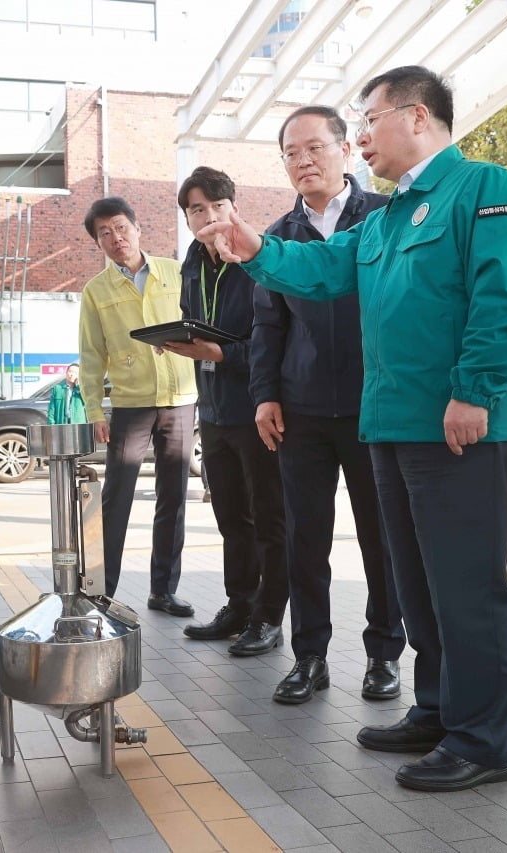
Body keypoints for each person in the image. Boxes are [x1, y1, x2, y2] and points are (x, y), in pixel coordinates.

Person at [201, 66, 507, 793]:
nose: (359, 137)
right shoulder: (382, 219)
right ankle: (439, 709)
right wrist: (258, 248)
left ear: (417, 117)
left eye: (368, 120)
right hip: (391, 427)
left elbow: (502, 300)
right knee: (419, 587)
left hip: (457, 428)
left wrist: (474, 391)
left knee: (466, 588)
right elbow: (318, 269)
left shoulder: (483, 188)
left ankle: (482, 739)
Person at [247, 106, 405, 704]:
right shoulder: (277, 240)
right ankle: (309, 656)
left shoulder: (388, 220)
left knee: (382, 540)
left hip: (375, 410)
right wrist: (265, 395)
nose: (303, 160)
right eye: (291, 153)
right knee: (305, 542)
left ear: (345, 150)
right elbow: (267, 327)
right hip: (303, 413)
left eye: (314, 148)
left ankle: (383, 655)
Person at [164, 167, 288, 657]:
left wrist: (221, 355)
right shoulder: (192, 260)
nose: (209, 216)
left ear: (234, 206)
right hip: (212, 412)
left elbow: (272, 335)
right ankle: (240, 604)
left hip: (256, 408)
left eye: (217, 206)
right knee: (231, 518)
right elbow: (196, 322)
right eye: (197, 209)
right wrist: (177, 340)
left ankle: (269, 616)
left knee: (270, 519)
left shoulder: (257, 256)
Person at [78, 197, 198, 614]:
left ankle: (163, 590)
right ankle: (100, 590)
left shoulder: (175, 271)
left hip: (180, 400)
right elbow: (91, 355)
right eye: (104, 234)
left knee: (174, 498)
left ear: (137, 226)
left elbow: (198, 323)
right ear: (98, 243)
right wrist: (94, 410)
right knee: (116, 497)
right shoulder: (96, 291)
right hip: (130, 404)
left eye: (120, 227)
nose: (115, 238)